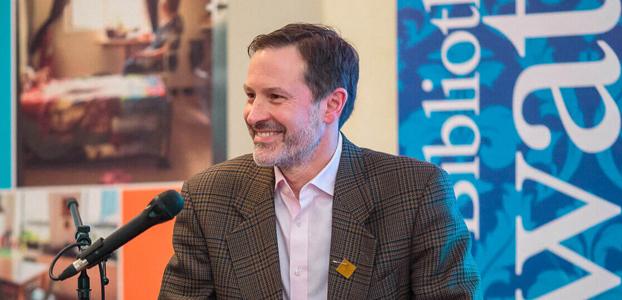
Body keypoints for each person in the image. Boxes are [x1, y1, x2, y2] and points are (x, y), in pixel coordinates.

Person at [159, 23, 482, 299]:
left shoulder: (414, 192)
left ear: (332, 105)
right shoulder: (209, 195)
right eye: (250, 95)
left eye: (275, 97)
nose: (254, 114)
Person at [122, 0, 183, 74]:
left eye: (163, 3)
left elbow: (165, 50)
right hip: (153, 55)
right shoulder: (165, 22)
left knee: (129, 67)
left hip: (161, 60)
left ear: (168, 5)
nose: (160, 6)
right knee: (129, 62)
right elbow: (158, 39)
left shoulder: (174, 23)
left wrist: (145, 55)